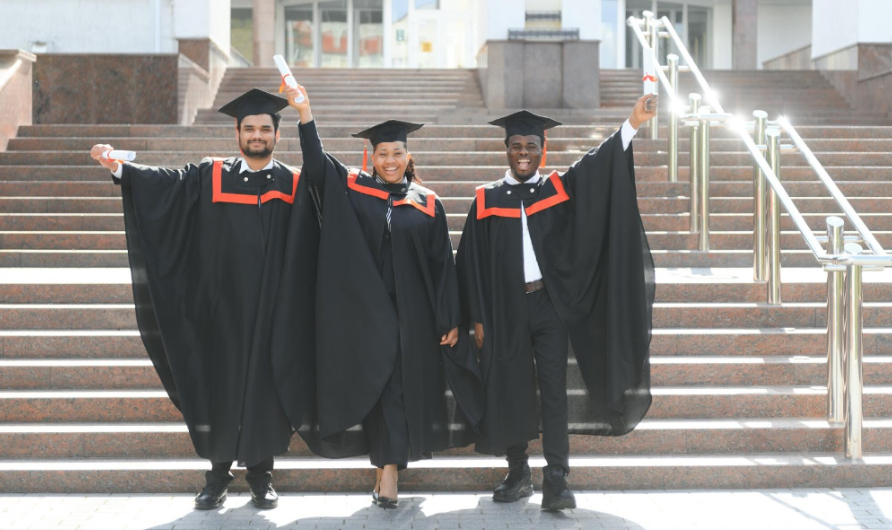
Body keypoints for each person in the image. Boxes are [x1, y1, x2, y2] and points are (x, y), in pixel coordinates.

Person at [89, 89, 321, 511]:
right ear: (237, 132)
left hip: (273, 311)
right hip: (221, 309)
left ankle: (261, 476)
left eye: (264, 129)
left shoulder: (293, 183)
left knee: (266, 392)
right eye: (248, 128)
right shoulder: (211, 174)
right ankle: (217, 476)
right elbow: (166, 185)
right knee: (221, 388)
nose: (256, 135)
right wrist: (121, 167)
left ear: (277, 134)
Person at [285, 83, 484, 509]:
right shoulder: (355, 189)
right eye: (382, 154)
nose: (390, 161)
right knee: (379, 387)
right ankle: (388, 475)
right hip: (364, 312)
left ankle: (387, 474)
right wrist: (305, 113)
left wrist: (449, 317)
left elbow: (441, 263)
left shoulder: (427, 203)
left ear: (408, 157)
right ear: (370, 157)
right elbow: (317, 167)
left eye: (397, 154)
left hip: (412, 315)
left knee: (395, 388)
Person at [456, 96, 657, 511]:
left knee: (554, 394)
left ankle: (557, 481)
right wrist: (476, 316)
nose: (524, 153)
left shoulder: (558, 189)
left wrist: (633, 122)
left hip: (548, 305)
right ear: (506, 149)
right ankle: (518, 473)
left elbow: (599, 163)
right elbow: (469, 263)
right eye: (516, 146)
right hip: (502, 310)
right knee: (510, 389)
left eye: (531, 146)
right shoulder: (486, 199)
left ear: (542, 149)